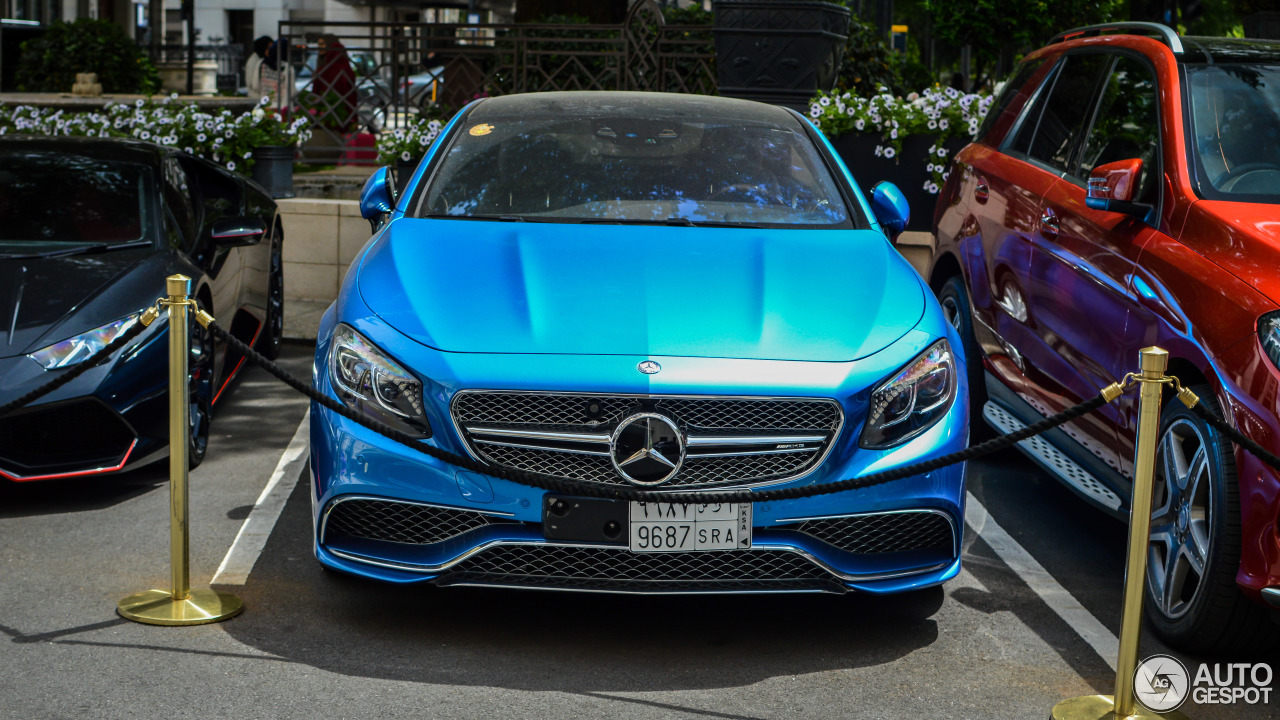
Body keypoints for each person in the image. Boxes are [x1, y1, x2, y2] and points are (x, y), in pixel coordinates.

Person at [313, 33, 356, 132]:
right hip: (331, 114)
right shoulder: (323, 66)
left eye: (323, 44)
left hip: (333, 115)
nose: (320, 48)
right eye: (319, 45)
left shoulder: (327, 70)